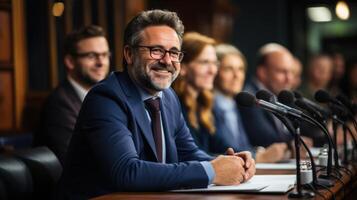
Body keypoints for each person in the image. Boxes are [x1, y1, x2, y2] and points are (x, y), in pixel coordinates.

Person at [59, 10, 255, 199]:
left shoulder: (168, 96)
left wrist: (232, 163)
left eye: (174, 52)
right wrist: (212, 171)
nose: (167, 60)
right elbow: (127, 171)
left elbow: (188, 153)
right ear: (129, 54)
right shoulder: (106, 97)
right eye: (156, 51)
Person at [35, 25, 110, 165]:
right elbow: (74, 160)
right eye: (92, 56)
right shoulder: (59, 104)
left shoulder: (107, 98)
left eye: (105, 55)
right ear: (70, 62)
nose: (101, 62)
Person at [213, 43, 288, 162]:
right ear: (214, 72)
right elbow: (219, 149)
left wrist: (257, 151)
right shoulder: (208, 107)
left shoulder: (235, 105)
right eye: (228, 69)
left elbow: (243, 146)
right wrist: (258, 156)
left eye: (240, 69)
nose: (236, 75)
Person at [172, 32, 220, 153]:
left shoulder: (203, 103)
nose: (213, 70)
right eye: (205, 62)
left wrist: (250, 156)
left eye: (215, 63)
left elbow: (221, 146)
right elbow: (190, 155)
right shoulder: (174, 105)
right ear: (183, 67)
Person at [239, 43, 295, 147]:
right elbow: (265, 139)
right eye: (282, 71)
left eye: (291, 72)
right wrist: (291, 146)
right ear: (263, 72)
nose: (289, 79)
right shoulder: (250, 97)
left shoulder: (277, 94)